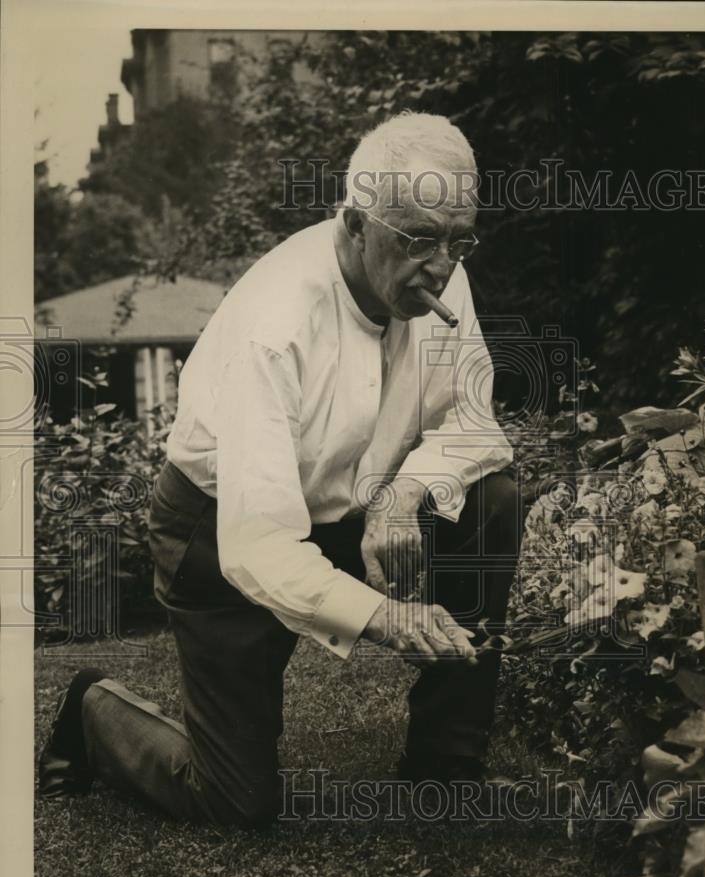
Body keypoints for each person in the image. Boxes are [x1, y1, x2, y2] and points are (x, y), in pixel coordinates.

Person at [38, 111, 521, 829]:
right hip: (221, 534)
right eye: (420, 239)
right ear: (355, 224)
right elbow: (258, 546)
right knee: (233, 800)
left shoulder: (442, 278)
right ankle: (92, 709)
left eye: (460, 240)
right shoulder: (275, 324)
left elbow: (475, 424)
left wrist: (402, 497)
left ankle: (445, 765)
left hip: (350, 508)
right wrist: (384, 617)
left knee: (491, 500)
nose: (444, 265)